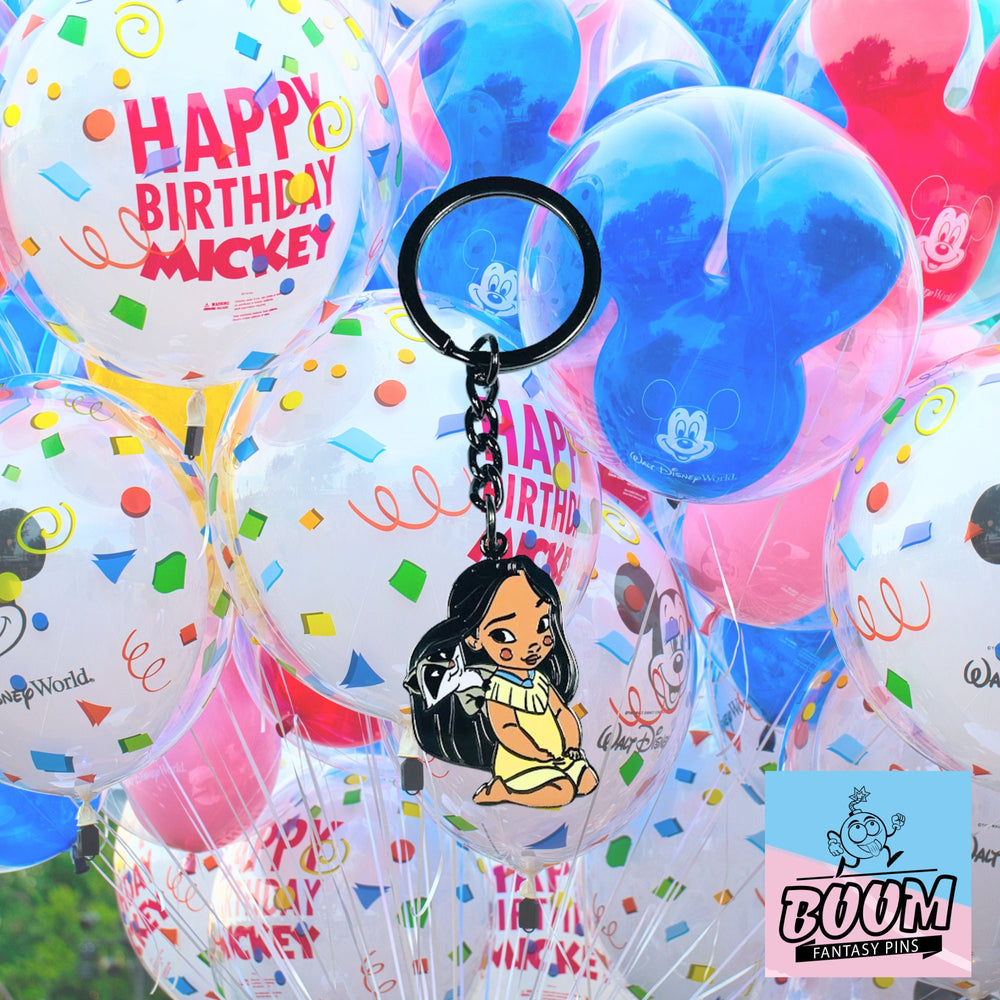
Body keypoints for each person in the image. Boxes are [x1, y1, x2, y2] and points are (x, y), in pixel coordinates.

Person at [405, 555, 598, 808]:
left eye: (542, 624)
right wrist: (535, 753)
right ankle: (504, 791)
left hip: (556, 756)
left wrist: (571, 744)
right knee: (562, 791)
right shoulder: (498, 687)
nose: (531, 644)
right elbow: (506, 728)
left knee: (588, 780)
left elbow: (562, 712)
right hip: (522, 762)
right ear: (474, 638)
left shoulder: (540, 680)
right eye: (504, 635)